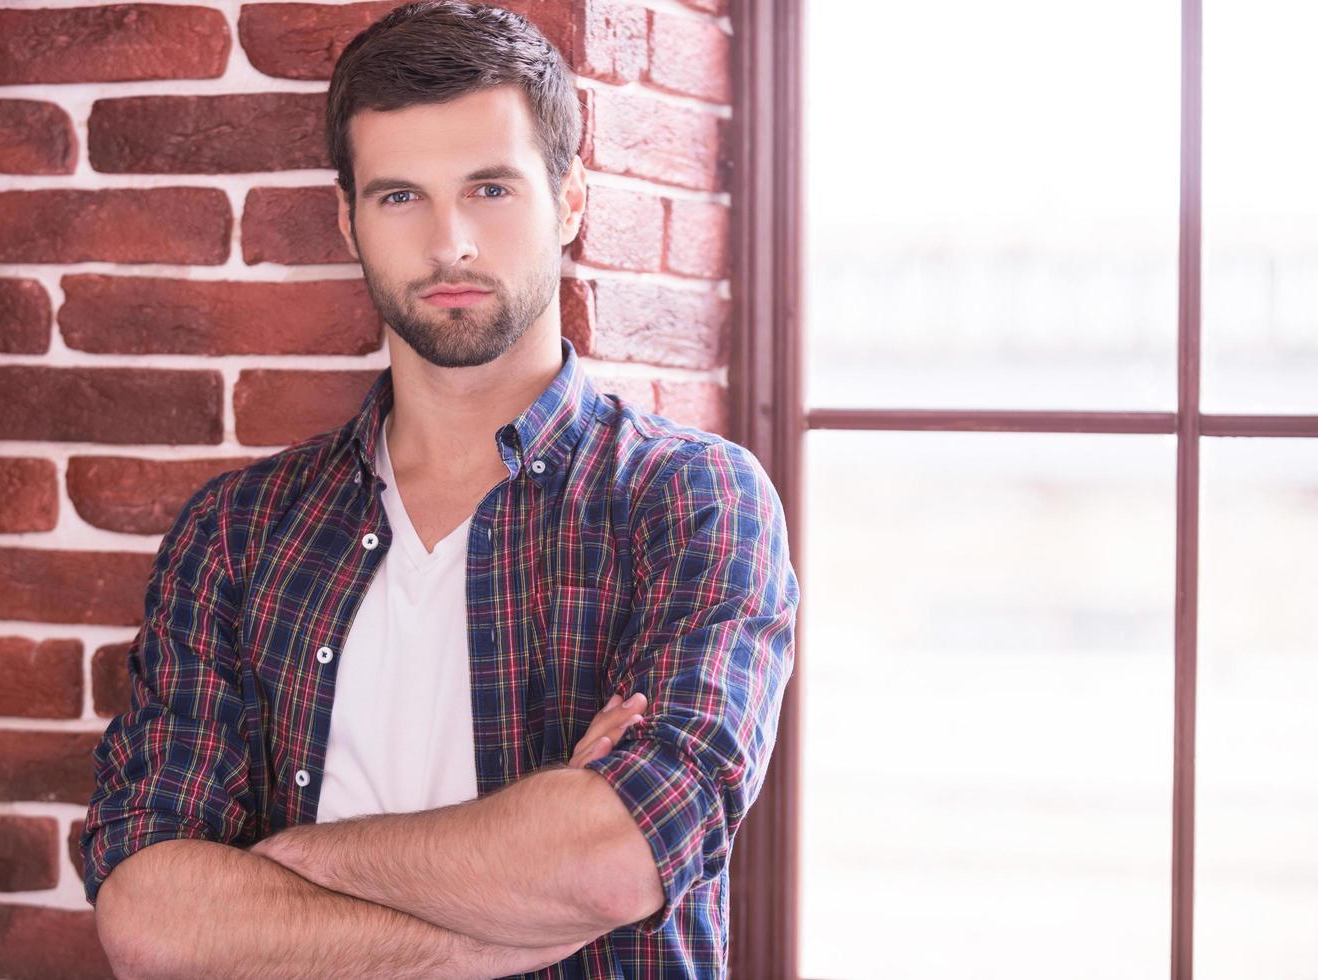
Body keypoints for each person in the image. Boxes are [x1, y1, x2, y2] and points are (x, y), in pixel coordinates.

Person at [81, 2, 799, 976]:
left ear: (570, 200)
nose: (448, 241)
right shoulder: (237, 534)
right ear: (347, 219)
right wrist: (507, 919)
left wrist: (287, 868)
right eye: (397, 197)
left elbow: (609, 859)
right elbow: (150, 915)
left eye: (490, 188)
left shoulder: (687, 501)